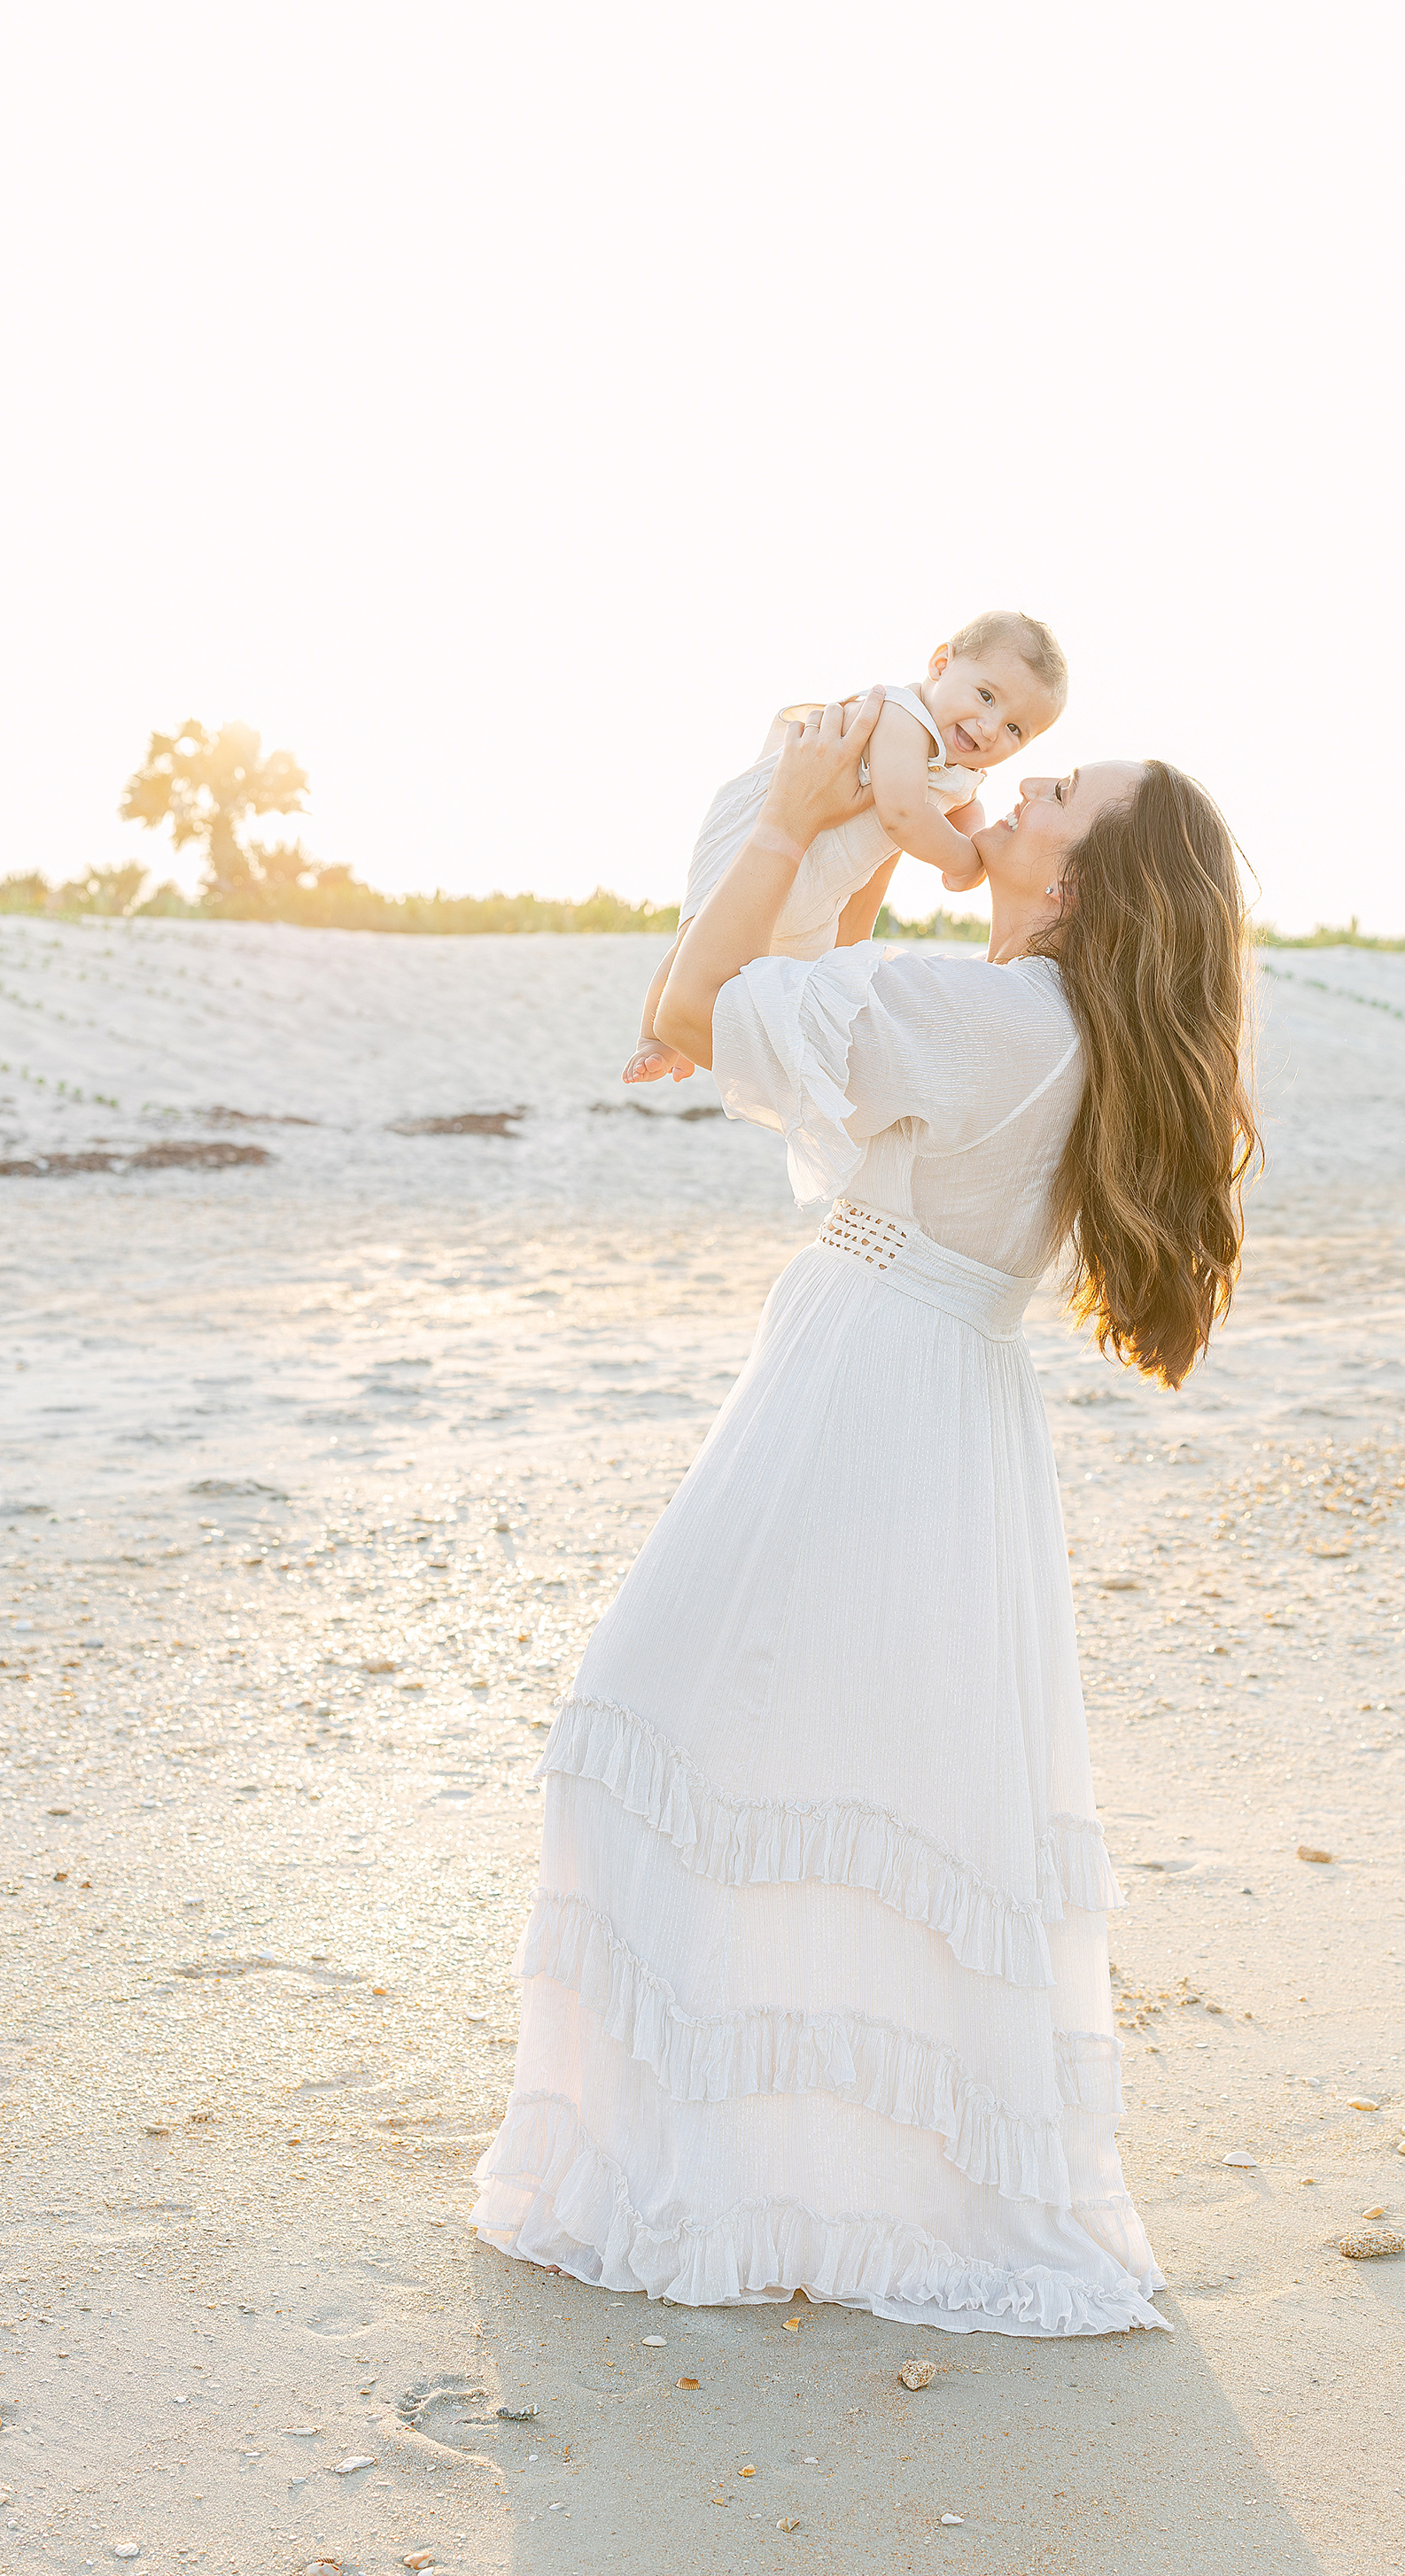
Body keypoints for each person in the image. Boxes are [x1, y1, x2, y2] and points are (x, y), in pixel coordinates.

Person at [474, 696, 1257, 2335]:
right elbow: (817, 1016)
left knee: (647, 1722)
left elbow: (691, 1007)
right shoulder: (1027, 1017)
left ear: (1083, 881)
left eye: (1052, 788)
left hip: (865, 1397)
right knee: (850, 1785)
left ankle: (703, 2173)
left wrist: (790, 815)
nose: (1014, 785)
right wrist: (859, 833)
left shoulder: (994, 1019)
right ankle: (792, 2177)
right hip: (929, 1402)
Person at [623, 612, 1067, 1083]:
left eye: (1016, 729)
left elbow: (963, 804)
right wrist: (965, 859)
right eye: (986, 696)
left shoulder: (962, 763)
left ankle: (699, 1027)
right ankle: (654, 1033)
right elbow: (903, 814)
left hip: (822, 867)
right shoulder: (901, 715)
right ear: (941, 664)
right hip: (765, 818)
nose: (991, 727)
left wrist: (970, 841)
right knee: (703, 932)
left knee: (774, 965)